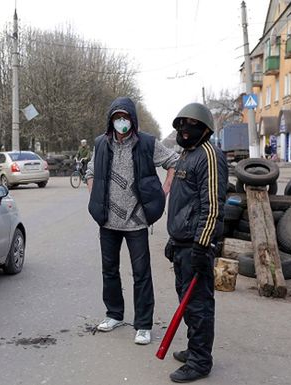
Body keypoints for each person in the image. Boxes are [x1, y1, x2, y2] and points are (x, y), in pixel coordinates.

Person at [85, 96, 178, 345]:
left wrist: (165, 188)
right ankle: (113, 314)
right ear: (110, 121)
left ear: (132, 119)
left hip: (136, 222)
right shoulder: (101, 144)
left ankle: (144, 325)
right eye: (116, 118)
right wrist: (94, 193)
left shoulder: (146, 143)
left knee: (141, 273)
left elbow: (174, 162)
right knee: (109, 270)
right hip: (108, 222)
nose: (121, 122)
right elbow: (91, 171)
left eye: (125, 117)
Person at [165, 103, 228, 382]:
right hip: (182, 243)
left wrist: (202, 246)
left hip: (196, 245)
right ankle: (194, 350)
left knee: (199, 305)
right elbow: (182, 203)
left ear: (204, 128)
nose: (184, 129)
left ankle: (201, 361)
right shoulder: (185, 155)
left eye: (191, 124)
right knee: (186, 301)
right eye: (181, 124)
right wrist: (173, 239)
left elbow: (212, 205)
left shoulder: (209, 155)